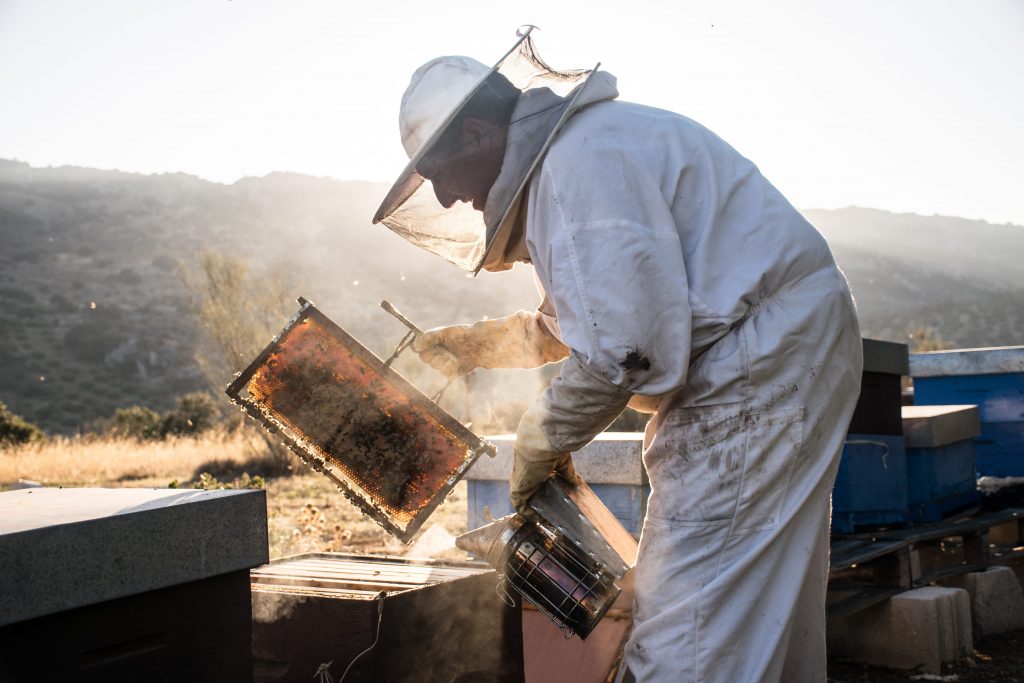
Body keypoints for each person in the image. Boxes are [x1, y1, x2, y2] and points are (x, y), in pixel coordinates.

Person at [373, 32, 862, 683]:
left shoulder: (577, 170)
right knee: (762, 615)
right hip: (777, 353)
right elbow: (571, 321)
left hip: (753, 370)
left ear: (474, 132)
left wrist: (540, 438)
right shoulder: (583, 158)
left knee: (687, 631)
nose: (442, 199)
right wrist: (470, 344)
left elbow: (624, 350)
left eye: (438, 174)